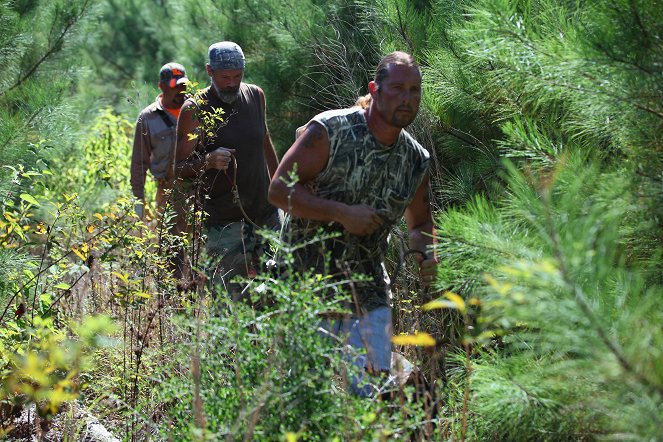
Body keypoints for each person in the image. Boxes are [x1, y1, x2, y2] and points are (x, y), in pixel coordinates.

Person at [268, 51, 437, 396]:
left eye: (415, 90)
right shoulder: (330, 130)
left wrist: (427, 254)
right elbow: (278, 189)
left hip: (367, 288)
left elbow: (419, 224)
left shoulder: (414, 159)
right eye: (398, 88)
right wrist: (340, 212)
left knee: (372, 390)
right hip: (305, 284)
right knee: (304, 395)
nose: (407, 98)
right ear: (375, 89)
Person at [172, 41, 280, 299]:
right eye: (225, 77)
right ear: (209, 71)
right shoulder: (194, 110)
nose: (232, 83)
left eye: (237, 76)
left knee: (277, 292)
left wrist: (282, 187)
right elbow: (177, 169)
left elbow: (265, 143)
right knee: (232, 299)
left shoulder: (255, 96)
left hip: (265, 214)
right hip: (224, 221)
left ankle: (267, 341)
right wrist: (207, 161)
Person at [131, 62, 189, 219]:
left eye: (182, 86)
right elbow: (139, 162)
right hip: (167, 192)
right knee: (169, 240)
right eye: (174, 86)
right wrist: (138, 201)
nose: (180, 91)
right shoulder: (147, 118)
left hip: (199, 188)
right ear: (161, 86)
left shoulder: (197, 109)